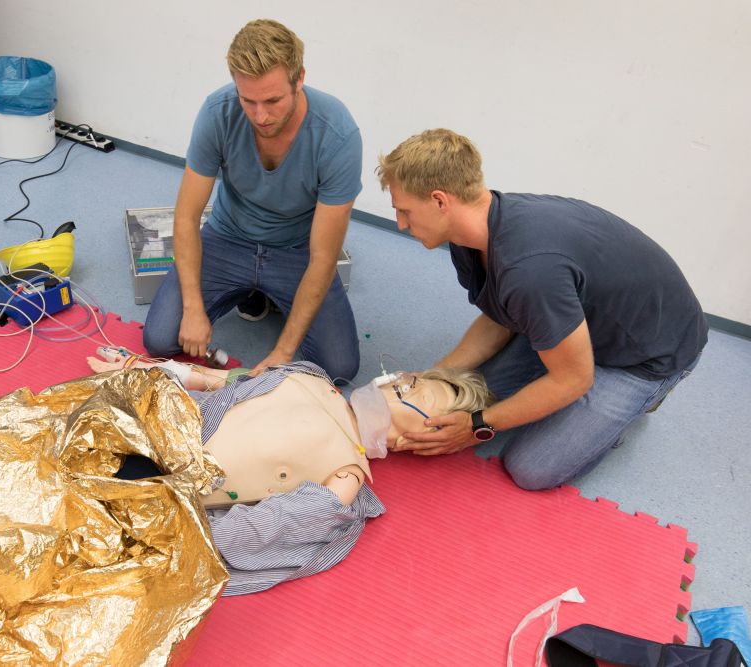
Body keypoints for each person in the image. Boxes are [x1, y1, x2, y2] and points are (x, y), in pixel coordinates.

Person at [376, 128, 709, 491]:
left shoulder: (530, 268)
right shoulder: (470, 233)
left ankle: (638, 402)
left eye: (405, 211)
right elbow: (499, 316)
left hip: (647, 354)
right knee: (468, 394)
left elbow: (573, 379)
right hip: (575, 322)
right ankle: (564, 356)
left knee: (531, 468)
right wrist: (434, 377)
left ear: (441, 201)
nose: (401, 224)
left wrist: (477, 428)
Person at [87, 350, 492, 594]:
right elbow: (223, 382)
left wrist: (174, 536)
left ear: (418, 438)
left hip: (158, 495)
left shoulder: (346, 471)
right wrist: (146, 370)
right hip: (151, 430)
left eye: (418, 394)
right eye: (414, 379)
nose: (402, 383)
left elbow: (272, 524)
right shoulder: (309, 376)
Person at [142, 19, 363, 382]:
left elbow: (324, 257)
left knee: (339, 368)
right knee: (160, 340)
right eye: (249, 100)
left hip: (296, 250)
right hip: (228, 237)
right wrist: (194, 309)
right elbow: (185, 216)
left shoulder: (338, 135)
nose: (261, 116)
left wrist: (283, 351)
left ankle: (267, 294)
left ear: (299, 79)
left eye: (273, 100)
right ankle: (254, 294)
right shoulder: (217, 112)